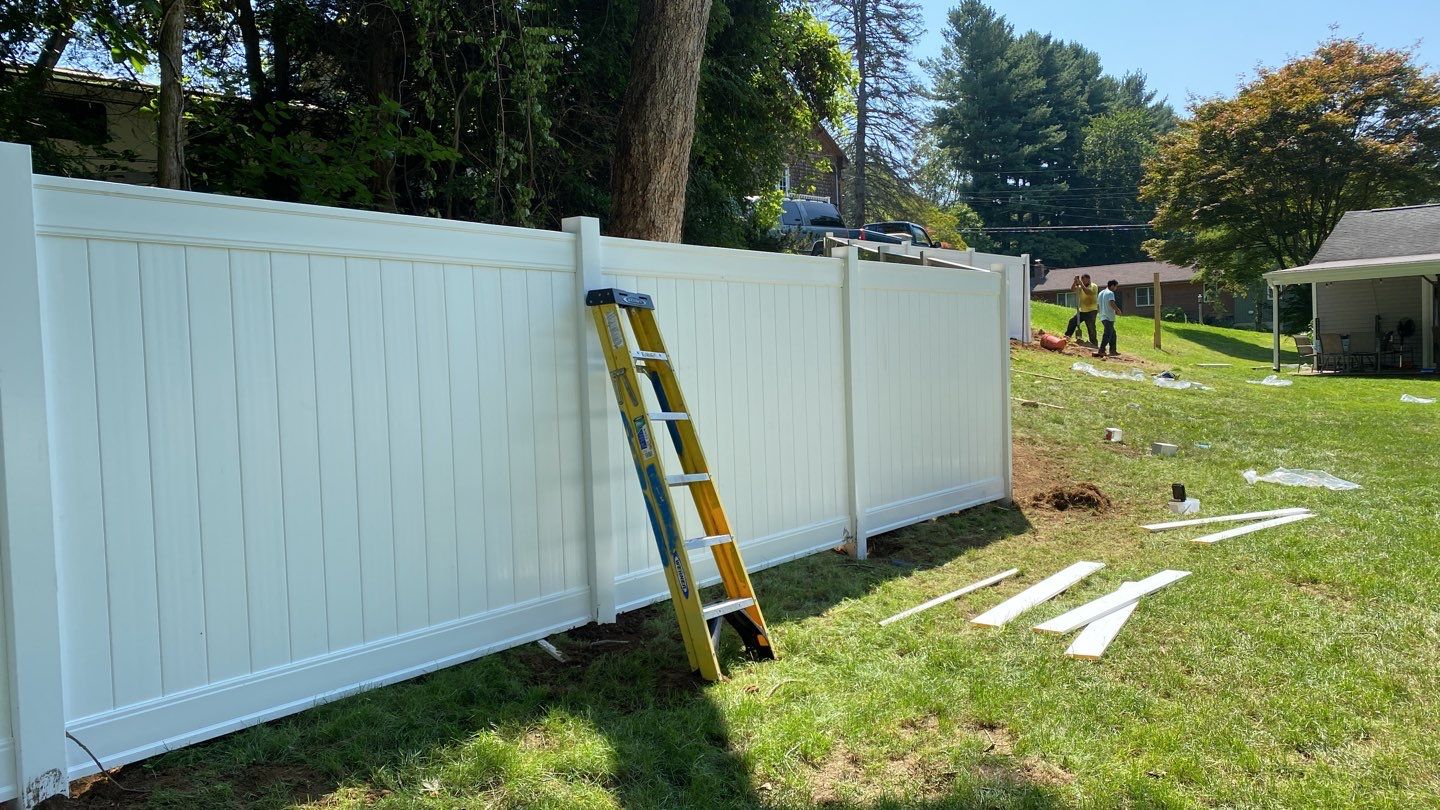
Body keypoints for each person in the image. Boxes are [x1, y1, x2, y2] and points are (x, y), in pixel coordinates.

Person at [1064, 273, 1099, 346]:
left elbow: (1088, 292)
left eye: (1084, 280)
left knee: (1091, 327)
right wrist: (1075, 282)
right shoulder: (1080, 287)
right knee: (1072, 321)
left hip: (1091, 311)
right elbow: (1072, 289)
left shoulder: (1093, 286)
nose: (1083, 282)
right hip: (1082, 311)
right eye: (1082, 280)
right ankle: (1067, 336)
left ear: (1088, 279)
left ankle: (1094, 344)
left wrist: (1081, 285)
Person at [1095, 279, 1122, 358]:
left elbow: (1098, 306)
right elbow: (1111, 303)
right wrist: (1118, 310)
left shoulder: (1100, 293)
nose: (1116, 288)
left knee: (1113, 334)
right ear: (1112, 285)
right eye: (1116, 286)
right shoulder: (1110, 293)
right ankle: (1101, 350)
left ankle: (1113, 350)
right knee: (1107, 334)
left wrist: (1100, 313)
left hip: (1102, 316)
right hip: (1109, 317)